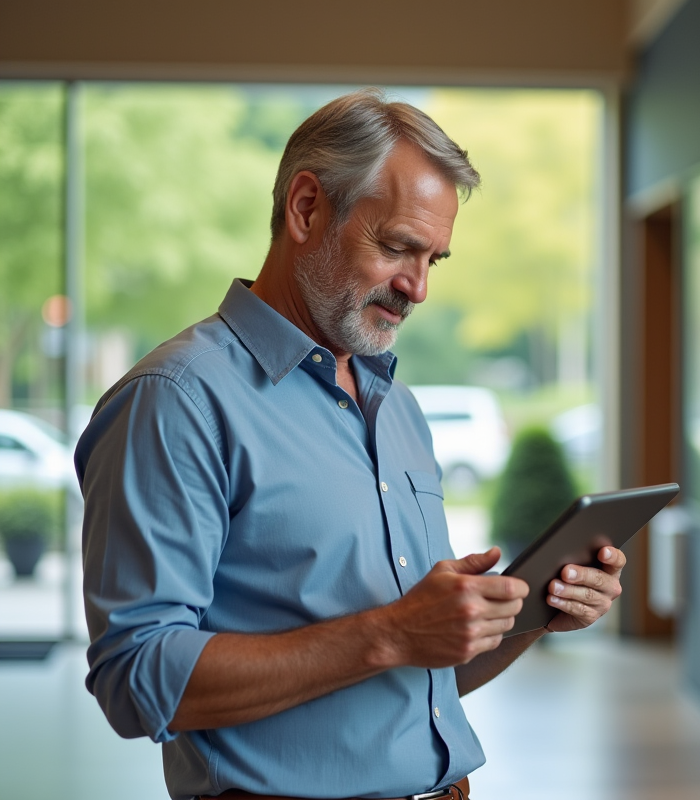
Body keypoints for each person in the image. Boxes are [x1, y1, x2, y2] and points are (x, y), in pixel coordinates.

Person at [74, 88, 624, 800]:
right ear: (306, 208)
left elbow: (420, 676)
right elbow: (135, 678)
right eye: (397, 247)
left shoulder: (398, 408)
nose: (418, 288)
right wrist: (391, 632)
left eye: (435, 259)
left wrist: (526, 615)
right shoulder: (176, 400)